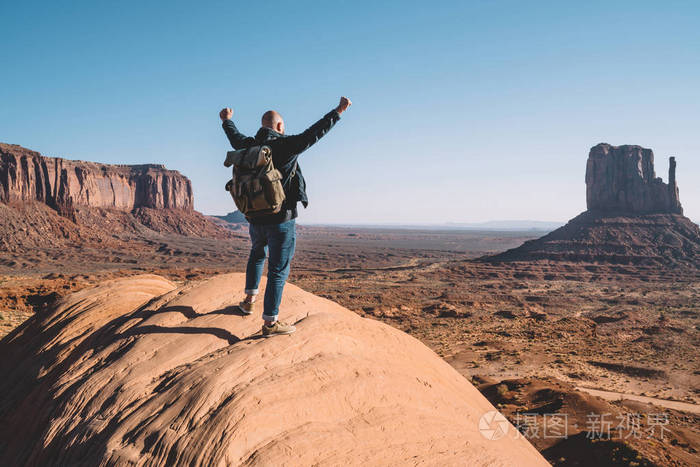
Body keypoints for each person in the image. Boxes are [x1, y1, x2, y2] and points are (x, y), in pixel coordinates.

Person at [220, 97, 352, 337]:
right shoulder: (286, 145)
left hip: (254, 216)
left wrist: (226, 120)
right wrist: (338, 111)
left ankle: (248, 301)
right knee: (278, 269)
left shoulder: (248, 146)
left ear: (263, 126)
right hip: (282, 219)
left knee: (257, 254)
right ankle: (270, 323)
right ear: (279, 127)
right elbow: (314, 133)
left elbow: (233, 135)